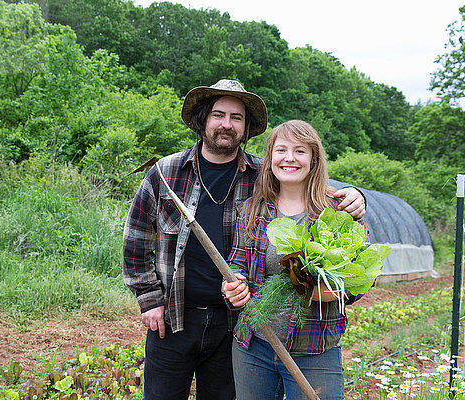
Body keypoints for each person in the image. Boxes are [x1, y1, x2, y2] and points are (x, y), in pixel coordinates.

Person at [122, 80, 366, 400]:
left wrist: (357, 197)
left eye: (236, 117)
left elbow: (308, 185)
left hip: (234, 325)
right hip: (174, 316)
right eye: (218, 114)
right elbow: (136, 241)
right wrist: (149, 300)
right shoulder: (166, 173)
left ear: (246, 128)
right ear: (203, 120)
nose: (227, 124)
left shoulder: (263, 176)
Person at [224, 119, 364, 400]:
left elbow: (360, 276)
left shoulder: (336, 211)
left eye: (300, 151)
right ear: (271, 158)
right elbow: (236, 261)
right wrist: (232, 285)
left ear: (313, 160)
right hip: (254, 345)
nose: (289, 158)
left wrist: (329, 290)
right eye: (281, 150)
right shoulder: (252, 209)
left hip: (314, 350)